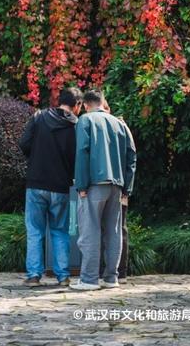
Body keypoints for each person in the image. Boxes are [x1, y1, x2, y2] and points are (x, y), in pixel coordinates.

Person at [71, 88, 136, 291]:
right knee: (114, 232)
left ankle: (89, 279)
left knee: (90, 231)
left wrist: (81, 185)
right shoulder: (119, 123)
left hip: (94, 184)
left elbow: (82, 152)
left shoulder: (85, 120)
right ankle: (111, 278)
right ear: (102, 101)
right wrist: (127, 187)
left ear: (86, 105)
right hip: (116, 185)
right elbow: (131, 155)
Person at [19, 86, 83, 287]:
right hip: (61, 186)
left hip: (36, 182)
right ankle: (63, 276)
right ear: (77, 104)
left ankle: (34, 275)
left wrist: (36, 157)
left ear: (59, 100)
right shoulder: (76, 126)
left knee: (35, 231)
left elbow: (23, 143)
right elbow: (78, 157)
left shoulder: (39, 117)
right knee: (60, 231)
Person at [101, 96, 131, 283]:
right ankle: (109, 270)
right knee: (115, 228)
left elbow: (130, 158)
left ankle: (120, 271)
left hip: (118, 186)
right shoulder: (117, 127)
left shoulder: (119, 126)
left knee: (118, 228)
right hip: (115, 184)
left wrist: (127, 188)